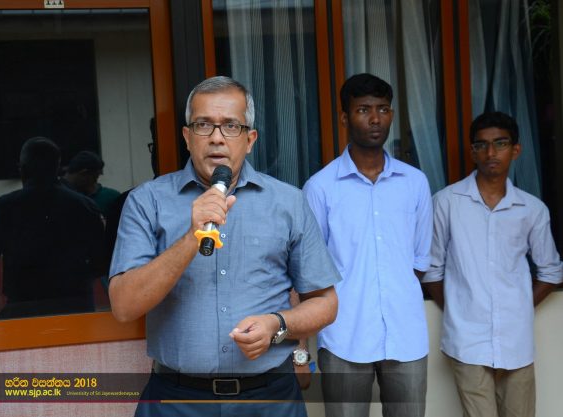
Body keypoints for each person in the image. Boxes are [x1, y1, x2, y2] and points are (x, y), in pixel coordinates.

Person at [108, 76, 340, 417]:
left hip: (270, 399)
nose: (216, 137)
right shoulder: (148, 202)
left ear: (250, 139)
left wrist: (277, 325)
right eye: (203, 125)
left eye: (231, 126)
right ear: (187, 137)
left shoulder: (288, 202)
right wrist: (191, 236)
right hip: (177, 401)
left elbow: (325, 303)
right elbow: (124, 306)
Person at [303, 73, 433, 417]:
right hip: (344, 336)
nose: (375, 119)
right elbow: (310, 270)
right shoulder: (321, 188)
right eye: (363, 110)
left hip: (405, 336)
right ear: (345, 118)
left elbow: (420, 260)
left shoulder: (415, 183)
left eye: (383, 109)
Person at [423, 111, 563, 417]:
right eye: (482, 145)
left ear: (516, 149)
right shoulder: (447, 202)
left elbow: (551, 271)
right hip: (467, 340)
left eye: (500, 143)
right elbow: (431, 269)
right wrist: (459, 308)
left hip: (516, 340)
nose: (490, 153)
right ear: (473, 152)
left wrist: (520, 306)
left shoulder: (532, 209)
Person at [0, 137, 106, 319]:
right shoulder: (86, 207)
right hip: (76, 309)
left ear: (23, 169)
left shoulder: (4, 207)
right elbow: (102, 263)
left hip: (24, 310)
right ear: (58, 168)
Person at [62, 150, 121, 217]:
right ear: (84, 173)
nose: (95, 182)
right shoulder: (60, 196)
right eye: (95, 177)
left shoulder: (110, 196)